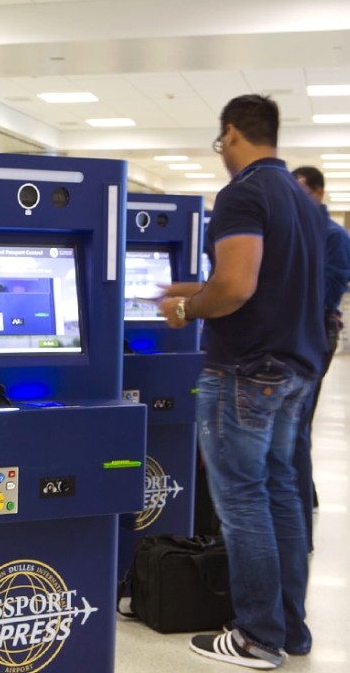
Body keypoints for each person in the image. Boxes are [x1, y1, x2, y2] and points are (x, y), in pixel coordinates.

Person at [158, 94, 328, 669]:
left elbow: (235, 287)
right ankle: (290, 629)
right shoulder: (303, 202)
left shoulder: (243, 193)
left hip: (245, 371)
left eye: (220, 141)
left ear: (231, 133)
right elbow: (270, 283)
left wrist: (187, 309)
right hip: (294, 370)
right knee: (281, 496)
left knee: (243, 502)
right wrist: (198, 290)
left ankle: (256, 637)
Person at [290, 165, 350, 550]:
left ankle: (300, 524)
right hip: (295, 336)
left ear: (318, 192)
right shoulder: (299, 232)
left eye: (301, 192)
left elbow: (328, 291)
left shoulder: (333, 236)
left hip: (314, 337)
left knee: (297, 427)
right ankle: (305, 495)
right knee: (295, 428)